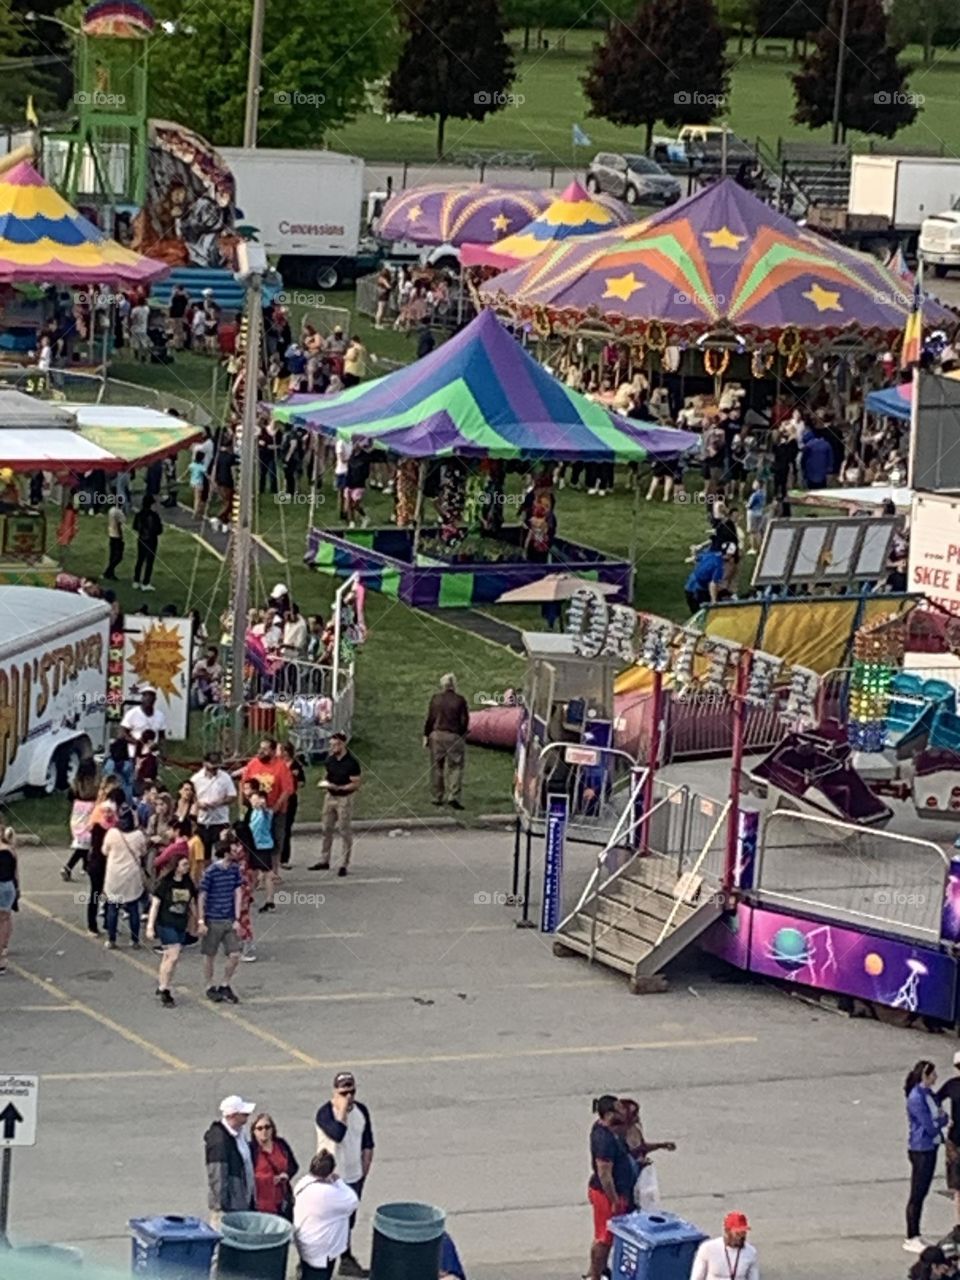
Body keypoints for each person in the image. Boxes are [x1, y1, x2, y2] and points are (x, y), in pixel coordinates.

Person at [315, 1072, 374, 1277]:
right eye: (343, 1092)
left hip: (353, 1176)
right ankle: (316, 1260)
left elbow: (367, 1142)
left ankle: (346, 1258)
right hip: (330, 1178)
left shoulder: (361, 1111)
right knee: (326, 1221)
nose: (348, 1097)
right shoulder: (325, 1113)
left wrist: (363, 1172)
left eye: (352, 1092)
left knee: (348, 1220)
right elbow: (338, 1134)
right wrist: (341, 1111)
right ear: (335, 1092)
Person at [586, 1095, 634, 1280]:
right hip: (606, 1195)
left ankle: (601, 1269)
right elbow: (605, 1174)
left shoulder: (609, 1130)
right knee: (604, 1238)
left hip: (616, 1192)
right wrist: (614, 1200)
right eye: (618, 1109)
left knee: (608, 1237)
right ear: (608, 1114)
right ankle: (595, 1276)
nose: (622, 1111)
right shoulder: (603, 1140)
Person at [293, 1151, 360, 1280]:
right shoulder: (329, 1193)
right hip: (322, 1250)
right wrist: (338, 1181)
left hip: (306, 1245)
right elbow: (353, 1201)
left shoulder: (303, 1183)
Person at [905, 1059, 947, 1252]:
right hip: (921, 1147)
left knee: (922, 1191)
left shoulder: (929, 1094)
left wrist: (940, 1119)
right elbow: (930, 1124)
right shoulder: (916, 1097)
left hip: (931, 1146)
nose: (936, 1077)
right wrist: (939, 1121)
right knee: (917, 1193)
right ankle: (911, 1235)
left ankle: (917, 1233)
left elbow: (942, 1115)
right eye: (933, 1074)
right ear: (925, 1075)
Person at [146, 852, 197, 1007]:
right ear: (176, 867)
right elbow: (155, 906)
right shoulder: (165, 884)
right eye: (184, 864)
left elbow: (192, 904)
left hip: (180, 923)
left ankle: (162, 982)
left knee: (169, 958)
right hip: (165, 923)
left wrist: (198, 921)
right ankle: (164, 989)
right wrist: (150, 926)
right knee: (173, 955)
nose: (187, 867)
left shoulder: (188, 883)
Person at [198, 837, 244, 1003]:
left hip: (229, 918)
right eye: (233, 850)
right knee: (209, 954)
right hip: (213, 918)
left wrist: (237, 918)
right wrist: (201, 920)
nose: (237, 852)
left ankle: (225, 984)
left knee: (235, 954)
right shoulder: (211, 872)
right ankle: (209, 985)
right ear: (225, 853)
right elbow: (202, 895)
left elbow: (238, 892)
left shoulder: (234, 870)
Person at [309, 733, 362, 875]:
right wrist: (325, 783)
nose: (333, 747)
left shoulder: (351, 762)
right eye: (331, 745)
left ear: (343, 744)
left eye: (335, 744)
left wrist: (340, 788)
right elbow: (327, 774)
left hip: (344, 797)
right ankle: (324, 859)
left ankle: (344, 863)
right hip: (330, 795)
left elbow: (355, 783)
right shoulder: (330, 760)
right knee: (326, 828)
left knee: (344, 829)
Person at [205, 1095, 256, 1226]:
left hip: (241, 1203)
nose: (247, 1115)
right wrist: (222, 1208)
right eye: (243, 1113)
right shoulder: (219, 1141)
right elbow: (218, 1177)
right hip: (229, 1209)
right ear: (233, 1115)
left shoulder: (240, 1133)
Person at [102, 804, 147, 950]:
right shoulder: (139, 835)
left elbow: (105, 851)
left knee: (113, 908)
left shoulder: (112, 833)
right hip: (132, 876)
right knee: (133, 908)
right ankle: (135, 940)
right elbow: (143, 851)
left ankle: (111, 939)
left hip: (114, 875)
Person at [423, 674, 469, 810]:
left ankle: (437, 796)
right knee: (455, 767)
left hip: (436, 735)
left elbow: (430, 718)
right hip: (453, 735)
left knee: (437, 766)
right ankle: (453, 796)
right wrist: (461, 734)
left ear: (442, 685)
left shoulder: (435, 699)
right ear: (454, 684)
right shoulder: (460, 700)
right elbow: (464, 721)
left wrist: (426, 735)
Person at [251, 1113, 299, 1219]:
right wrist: (268, 1179)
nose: (264, 1131)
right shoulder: (251, 1150)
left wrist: (286, 1175)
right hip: (261, 1202)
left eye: (267, 1127)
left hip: (282, 1199)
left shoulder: (281, 1144)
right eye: (259, 1128)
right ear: (254, 1131)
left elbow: (293, 1165)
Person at [191, 751, 237, 859]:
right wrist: (198, 804)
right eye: (212, 768)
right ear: (205, 764)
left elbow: (232, 796)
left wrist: (219, 802)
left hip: (220, 821)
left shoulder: (225, 777)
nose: (215, 770)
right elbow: (191, 796)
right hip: (203, 821)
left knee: (221, 853)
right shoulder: (196, 778)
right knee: (203, 855)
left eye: (217, 768)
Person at [689, 1211, 759, 1280]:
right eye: (737, 1234)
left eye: (743, 1233)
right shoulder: (708, 1249)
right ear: (727, 1231)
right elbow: (697, 1277)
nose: (741, 1237)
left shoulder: (751, 1252)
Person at [62, 757, 99, 882]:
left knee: (83, 843)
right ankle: (68, 867)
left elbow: (70, 797)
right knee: (84, 845)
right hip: (89, 814)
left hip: (77, 814)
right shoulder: (94, 784)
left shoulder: (75, 783)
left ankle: (85, 866)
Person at [937, 1051, 960, 1226]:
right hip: (955, 1139)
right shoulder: (952, 1085)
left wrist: (942, 1117)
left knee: (957, 1187)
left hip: (955, 1138)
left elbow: (935, 1099)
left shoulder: (952, 1085)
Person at [280, 741, 305, 869]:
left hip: (290, 798)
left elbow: (301, 782)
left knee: (286, 828)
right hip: (278, 797)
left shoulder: (295, 765)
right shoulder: (277, 764)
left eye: (285, 750)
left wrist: (293, 780)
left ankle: (284, 857)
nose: (282, 753)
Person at [684, 543, 728, 615]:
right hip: (699, 591)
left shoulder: (709, 554)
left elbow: (696, 558)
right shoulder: (718, 565)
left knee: (695, 613)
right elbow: (713, 583)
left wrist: (693, 552)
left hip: (689, 586)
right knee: (703, 614)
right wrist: (714, 601)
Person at [131, 495, 163, 591]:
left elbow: (135, 526)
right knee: (149, 562)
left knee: (139, 560)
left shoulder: (139, 514)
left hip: (141, 539)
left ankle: (136, 580)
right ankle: (145, 582)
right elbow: (159, 530)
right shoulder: (154, 516)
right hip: (152, 541)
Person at [0, 826, 18, 974]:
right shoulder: (10, 850)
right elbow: (15, 873)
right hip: (8, 887)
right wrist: (18, 890)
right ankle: (2, 950)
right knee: (5, 919)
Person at [103, 497, 126, 580]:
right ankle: (108, 571)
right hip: (117, 536)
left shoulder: (111, 510)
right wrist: (121, 536)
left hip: (111, 534)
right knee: (119, 556)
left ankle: (110, 573)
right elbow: (119, 524)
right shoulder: (118, 512)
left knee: (112, 556)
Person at [189, 449, 207, 519]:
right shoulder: (201, 467)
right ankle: (195, 514)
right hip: (198, 484)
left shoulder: (192, 465)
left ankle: (197, 512)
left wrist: (181, 478)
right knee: (198, 499)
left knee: (195, 498)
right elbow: (206, 475)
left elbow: (187, 472)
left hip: (192, 483)